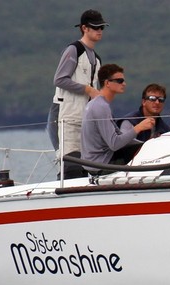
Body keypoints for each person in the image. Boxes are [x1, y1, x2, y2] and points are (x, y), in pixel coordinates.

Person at [47, 9, 108, 178]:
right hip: (65, 115)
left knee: (83, 167)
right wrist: (88, 89)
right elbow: (59, 79)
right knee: (70, 166)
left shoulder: (97, 59)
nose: (99, 31)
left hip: (83, 118)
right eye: (95, 27)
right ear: (84, 28)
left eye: (102, 27)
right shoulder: (74, 50)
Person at [81, 64, 155, 174]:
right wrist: (139, 128)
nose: (124, 84)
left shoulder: (96, 104)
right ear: (107, 83)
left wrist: (148, 143)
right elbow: (114, 144)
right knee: (147, 154)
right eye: (119, 81)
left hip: (94, 162)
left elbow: (118, 136)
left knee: (144, 147)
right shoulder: (101, 107)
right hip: (100, 165)